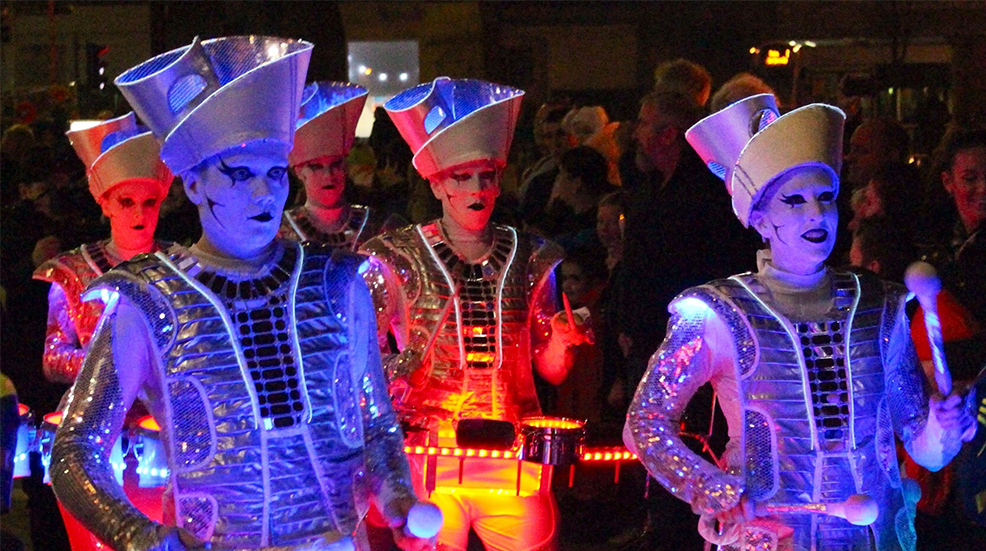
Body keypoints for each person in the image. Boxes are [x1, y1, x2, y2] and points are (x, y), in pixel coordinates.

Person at [50, 35, 434, 551]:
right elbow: (76, 447)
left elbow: (377, 424)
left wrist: (398, 500)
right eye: (239, 175)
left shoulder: (338, 281)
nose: (264, 192)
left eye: (275, 173)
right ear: (194, 185)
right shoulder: (148, 297)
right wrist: (139, 535)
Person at [624, 93, 975, 551]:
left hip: (872, 539)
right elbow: (644, 423)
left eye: (826, 198)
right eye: (794, 200)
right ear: (760, 219)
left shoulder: (879, 306)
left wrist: (944, 425)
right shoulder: (717, 312)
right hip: (769, 538)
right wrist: (713, 489)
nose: (816, 213)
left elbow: (926, 450)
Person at [360, 77, 587, 551]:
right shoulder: (395, 257)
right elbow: (361, 359)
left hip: (513, 456)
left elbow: (550, 369)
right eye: (462, 177)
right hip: (428, 454)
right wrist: (397, 370)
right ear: (436, 183)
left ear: (499, 180)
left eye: (486, 175)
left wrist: (562, 341)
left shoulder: (532, 255)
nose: (477, 188)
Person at [33, 113, 172, 386]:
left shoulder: (180, 265)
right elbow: (53, 358)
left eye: (149, 202)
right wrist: (119, 364)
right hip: (97, 404)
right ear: (106, 204)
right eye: (126, 202)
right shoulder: (73, 273)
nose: (139, 214)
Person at [281, 81, 405, 250]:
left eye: (335, 164)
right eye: (316, 167)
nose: (328, 175)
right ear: (299, 172)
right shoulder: (281, 232)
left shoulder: (379, 225)